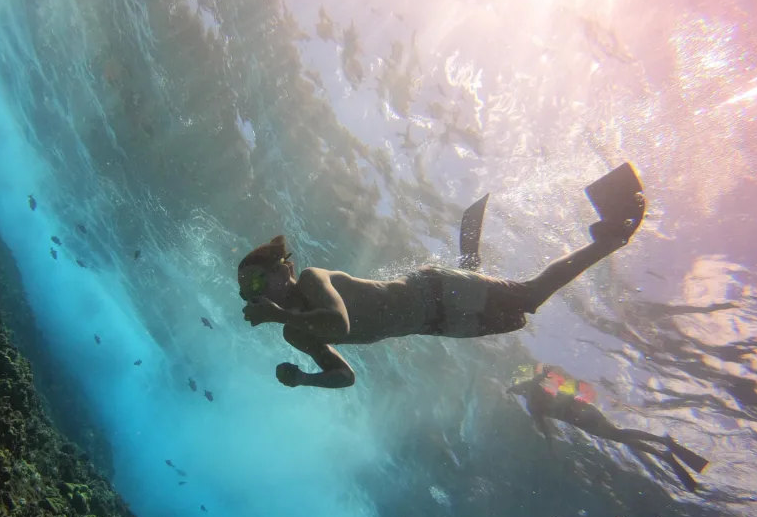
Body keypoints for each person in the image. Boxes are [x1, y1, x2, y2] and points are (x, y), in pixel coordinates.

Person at [237, 163, 646, 390]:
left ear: (284, 270)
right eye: (245, 291)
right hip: (435, 324)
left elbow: (338, 322)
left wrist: (278, 316)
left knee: (529, 299)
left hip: (432, 290)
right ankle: (469, 263)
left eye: (256, 283)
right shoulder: (296, 334)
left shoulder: (311, 278)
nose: (251, 294)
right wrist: (304, 379)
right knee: (518, 319)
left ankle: (613, 236)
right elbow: (345, 375)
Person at [508, 364, 710, 492]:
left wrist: (550, 445)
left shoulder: (532, 402)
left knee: (619, 435)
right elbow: (545, 428)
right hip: (583, 413)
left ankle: (662, 446)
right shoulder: (534, 398)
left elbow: (545, 429)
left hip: (581, 416)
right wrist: (549, 443)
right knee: (619, 436)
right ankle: (662, 451)